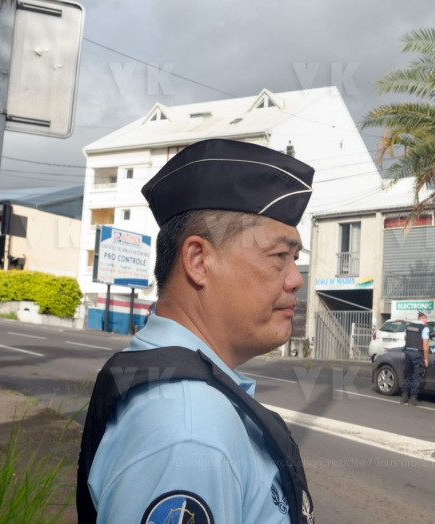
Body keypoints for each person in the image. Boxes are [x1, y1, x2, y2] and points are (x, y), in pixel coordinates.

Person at [77, 139, 315, 523]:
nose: (295, 280)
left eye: (295, 259)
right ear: (199, 261)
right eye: (279, 257)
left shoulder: (182, 389)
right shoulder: (191, 431)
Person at [401, 312, 430, 406]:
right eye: (426, 320)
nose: (427, 322)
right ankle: (413, 398)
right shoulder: (424, 328)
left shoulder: (408, 326)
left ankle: (404, 397)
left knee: (407, 374)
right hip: (417, 353)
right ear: (424, 319)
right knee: (416, 376)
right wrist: (426, 359)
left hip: (408, 352)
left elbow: (406, 338)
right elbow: (425, 345)